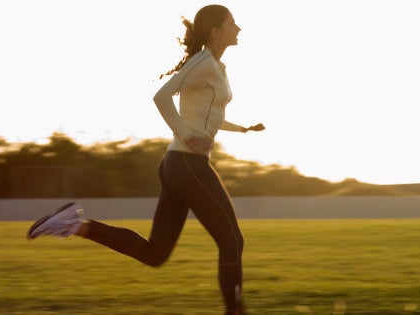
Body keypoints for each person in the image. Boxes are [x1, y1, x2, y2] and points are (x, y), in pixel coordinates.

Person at [27, 4, 264, 315]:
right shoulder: (204, 61)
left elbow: (210, 116)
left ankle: (75, 224)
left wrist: (242, 128)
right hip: (187, 164)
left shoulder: (218, 68)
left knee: (156, 254)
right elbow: (162, 96)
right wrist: (187, 135)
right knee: (232, 239)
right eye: (233, 23)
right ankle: (236, 311)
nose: (239, 28)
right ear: (215, 30)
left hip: (180, 166)